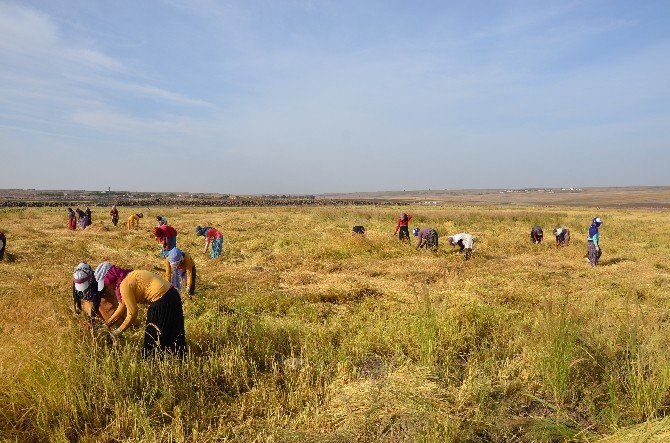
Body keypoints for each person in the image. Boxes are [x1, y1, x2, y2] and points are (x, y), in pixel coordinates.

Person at [101, 267, 186, 358]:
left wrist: (118, 331)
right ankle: (178, 359)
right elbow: (122, 306)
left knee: (152, 338)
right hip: (173, 295)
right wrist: (107, 324)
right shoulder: (128, 277)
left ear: (111, 281)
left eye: (106, 286)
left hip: (162, 301)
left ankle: (152, 363)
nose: (108, 289)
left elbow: (132, 313)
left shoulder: (124, 285)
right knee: (173, 333)